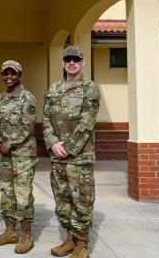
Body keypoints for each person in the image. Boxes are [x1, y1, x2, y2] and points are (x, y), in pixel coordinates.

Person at [43, 45, 101, 258]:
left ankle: (82, 244)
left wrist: (67, 148)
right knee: (62, 199)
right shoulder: (54, 88)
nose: (72, 62)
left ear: (82, 63)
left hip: (79, 157)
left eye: (76, 59)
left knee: (82, 201)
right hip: (57, 156)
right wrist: (52, 143)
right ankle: (70, 238)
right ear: (63, 63)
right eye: (68, 59)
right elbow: (46, 118)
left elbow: (87, 123)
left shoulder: (90, 88)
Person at [0, 60, 38, 254]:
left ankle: (27, 235)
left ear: (19, 75)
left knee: (22, 194)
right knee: (7, 193)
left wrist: (7, 144)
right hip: (6, 155)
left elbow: (27, 126)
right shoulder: (1, 98)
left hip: (23, 154)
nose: (8, 76)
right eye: (5, 73)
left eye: (13, 73)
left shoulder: (27, 97)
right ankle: (10, 231)